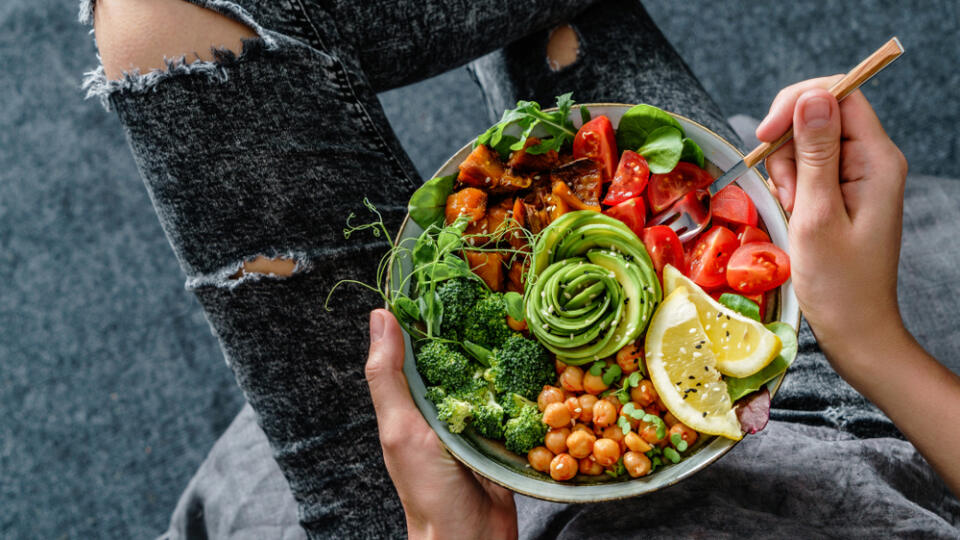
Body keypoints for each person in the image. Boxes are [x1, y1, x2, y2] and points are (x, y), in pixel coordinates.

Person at [82, 0, 960, 538]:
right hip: (795, 409)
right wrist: (868, 339)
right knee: (563, 44)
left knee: (159, 17)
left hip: (472, 517)